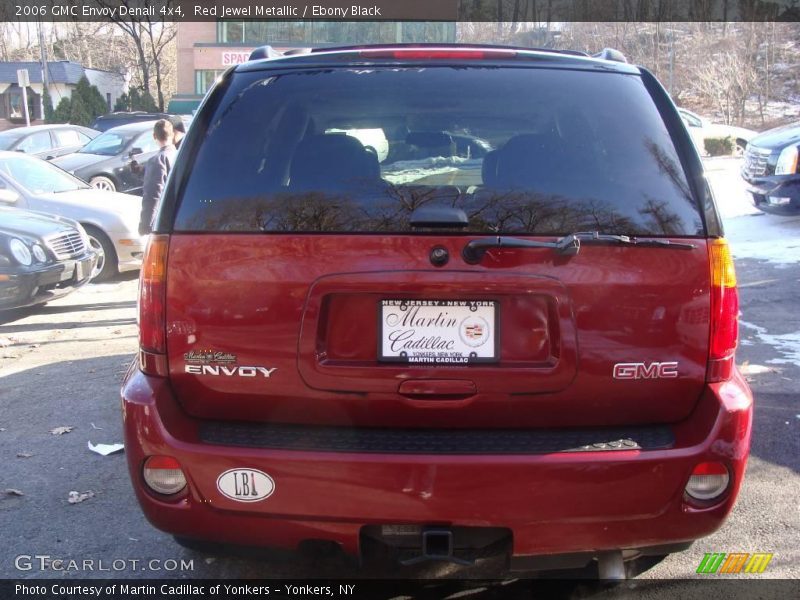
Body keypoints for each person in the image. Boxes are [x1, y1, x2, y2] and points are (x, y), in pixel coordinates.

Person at [138, 119, 176, 236]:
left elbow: (153, 195)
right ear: (173, 134)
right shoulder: (180, 155)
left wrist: (145, 225)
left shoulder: (157, 160)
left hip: (164, 223)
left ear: (154, 136)